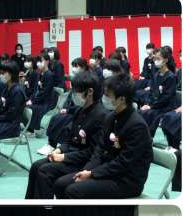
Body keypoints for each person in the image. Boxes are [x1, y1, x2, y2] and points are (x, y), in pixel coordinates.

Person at [54, 73, 153, 199]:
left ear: (122, 99)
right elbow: (99, 150)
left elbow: (123, 163)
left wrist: (92, 173)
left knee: (73, 190)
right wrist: (86, 170)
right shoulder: (111, 117)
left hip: (126, 180)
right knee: (60, 184)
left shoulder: (137, 126)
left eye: (108, 95)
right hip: (107, 170)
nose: (103, 98)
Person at [25, 71, 106, 199]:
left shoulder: (101, 115)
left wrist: (64, 157)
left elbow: (93, 152)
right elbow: (69, 140)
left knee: (45, 171)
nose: (73, 94)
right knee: (36, 166)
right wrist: (59, 150)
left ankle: (45, 210)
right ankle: (30, 207)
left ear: (90, 91)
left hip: (83, 162)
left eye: (76, 91)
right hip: (71, 155)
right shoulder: (79, 111)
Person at [139, 46, 177, 136]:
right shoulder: (156, 75)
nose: (155, 61)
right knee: (140, 112)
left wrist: (152, 106)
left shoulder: (171, 77)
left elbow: (166, 97)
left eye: (158, 59)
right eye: (155, 58)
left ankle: (148, 137)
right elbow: (152, 92)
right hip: (156, 104)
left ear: (165, 60)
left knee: (150, 114)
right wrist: (147, 104)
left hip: (166, 106)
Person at [26, 52, 57, 135]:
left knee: (33, 107)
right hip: (40, 99)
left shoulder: (50, 75)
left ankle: (32, 129)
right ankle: (29, 127)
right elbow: (36, 90)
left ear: (47, 61)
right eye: (38, 61)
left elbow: (45, 92)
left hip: (47, 102)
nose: (38, 63)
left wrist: (33, 101)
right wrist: (31, 99)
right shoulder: (40, 74)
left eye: (41, 61)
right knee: (26, 105)